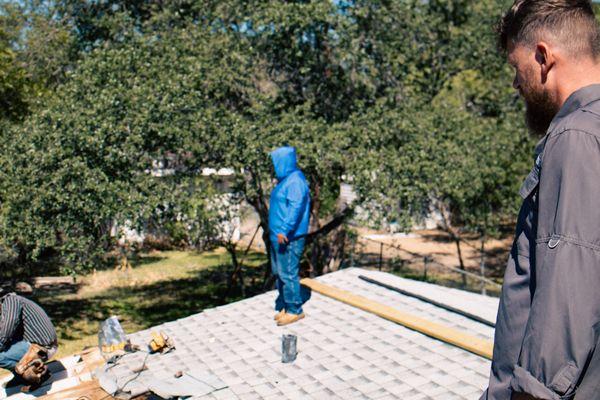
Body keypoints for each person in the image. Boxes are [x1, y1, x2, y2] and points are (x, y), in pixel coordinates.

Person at [482, 1, 600, 399]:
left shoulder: (576, 135)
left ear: (543, 56)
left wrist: (532, 392)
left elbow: (571, 277)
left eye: (517, 69)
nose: (516, 84)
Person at [268, 146, 311, 327]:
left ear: (284, 161)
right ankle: (287, 305)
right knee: (280, 273)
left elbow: (295, 208)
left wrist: (284, 230)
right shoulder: (286, 180)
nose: (274, 166)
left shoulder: (295, 182)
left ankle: (295, 310)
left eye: (276, 162)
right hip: (278, 236)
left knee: (288, 273)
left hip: (289, 238)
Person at [0, 293, 58, 386]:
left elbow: (8, 328)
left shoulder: (11, 301)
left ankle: (37, 372)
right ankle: (21, 375)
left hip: (41, 348)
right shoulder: (11, 303)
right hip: (38, 345)